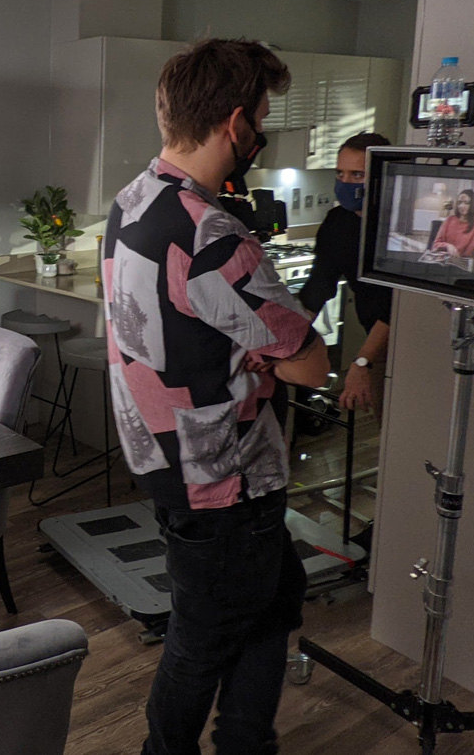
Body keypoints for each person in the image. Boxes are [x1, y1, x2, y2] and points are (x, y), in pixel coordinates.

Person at [104, 38, 330, 755]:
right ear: (238, 124)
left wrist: (247, 358)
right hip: (222, 480)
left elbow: (178, 331)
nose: (260, 133)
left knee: (270, 603)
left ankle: (244, 743)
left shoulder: (134, 200)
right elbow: (309, 366)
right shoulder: (214, 236)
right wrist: (264, 365)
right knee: (202, 640)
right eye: (262, 118)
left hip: (163, 456)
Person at [299, 132, 392, 413]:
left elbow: (395, 307)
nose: (345, 183)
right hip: (372, 335)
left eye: (357, 175)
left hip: (402, 339)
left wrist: (362, 361)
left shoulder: (397, 227)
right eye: (340, 173)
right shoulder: (337, 222)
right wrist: (288, 339)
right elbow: (319, 287)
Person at [429, 188, 474, 262]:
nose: (461, 206)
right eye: (459, 202)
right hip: (445, 261)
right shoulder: (449, 220)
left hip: (464, 264)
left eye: (466, 203)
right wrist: (448, 246)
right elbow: (436, 244)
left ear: (472, 205)